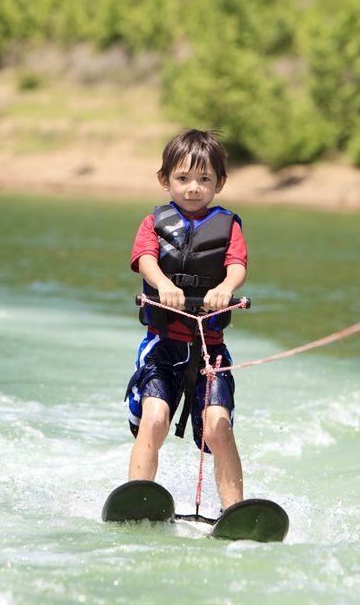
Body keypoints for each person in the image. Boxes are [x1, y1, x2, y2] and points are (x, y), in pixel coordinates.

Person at [125, 129, 248, 510]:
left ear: (219, 183)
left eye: (204, 179)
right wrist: (162, 284)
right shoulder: (153, 223)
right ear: (165, 180)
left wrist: (226, 287)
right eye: (183, 178)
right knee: (156, 417)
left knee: (218, 427)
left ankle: (234, 511)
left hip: (210, 351)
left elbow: (236, 266)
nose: (193, 188)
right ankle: (135, 499)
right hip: (164, 347)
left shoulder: (229, 226)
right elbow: (146, 260)